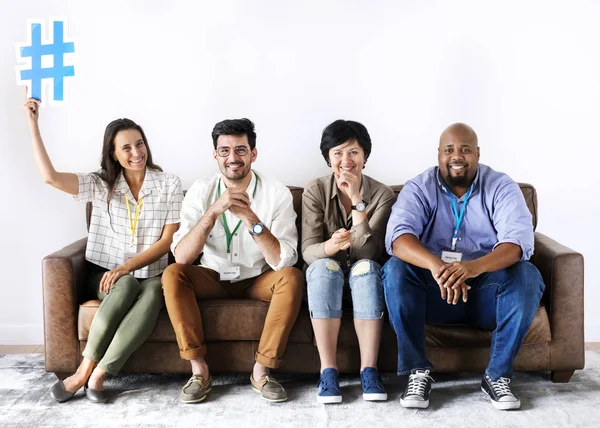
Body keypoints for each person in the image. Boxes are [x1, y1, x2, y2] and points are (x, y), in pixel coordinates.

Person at [23, 92, 183, 404]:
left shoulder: (169, 183)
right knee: (123, 288)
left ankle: (99, 374)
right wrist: (33, 125)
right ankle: (84, 370)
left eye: (140, 143)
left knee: (151, 294)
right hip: (106, 275)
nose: (136, 152)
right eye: (126, 147)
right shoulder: (100, 184)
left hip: (151, 274)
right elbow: (50, 177)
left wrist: (126, 267)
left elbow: (167, 242)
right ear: (113, 154)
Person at [382, 123, 545, 410]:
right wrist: (436, 266)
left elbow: (518, 243)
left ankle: (497, 376)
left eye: (465, 149)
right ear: (438, 155)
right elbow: (398, 238)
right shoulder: (419, 186)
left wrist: (472, 268)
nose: (457, 156)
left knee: (527, 275)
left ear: (478, 153)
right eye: (449, 150)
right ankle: (417, 372)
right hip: (433, 293)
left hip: (485, 293)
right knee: (395, 269)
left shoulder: (501, 186)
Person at [162, 118, 303, 404]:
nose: (232, 158)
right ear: (215, 155)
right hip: (212, 277)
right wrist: (212, 213)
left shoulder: (277, 193)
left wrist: (251, 219)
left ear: (254, 153)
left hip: (258, 278)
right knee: (173, 274)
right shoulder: (200, 191)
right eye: (224, 151)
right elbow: (181, 256)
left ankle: (262, 372)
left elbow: (283, 259)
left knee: (293, 277)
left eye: (240, 149)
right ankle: (199, 371)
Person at [301, 120, 395, 404]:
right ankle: (328, 371)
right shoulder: (315, 190)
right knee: (322, 267)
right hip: (325, 273)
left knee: (366, 269)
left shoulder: (382, 195)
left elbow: (370, 252)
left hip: (363, 273)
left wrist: (357, 202)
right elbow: (307, 250)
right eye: (338, 153)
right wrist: (329, 247)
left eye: (353, 152)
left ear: (364, 156)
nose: (345, 161)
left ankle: (369, 370)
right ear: (328, 158)